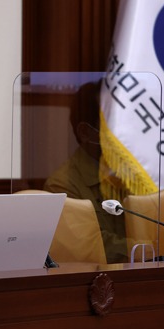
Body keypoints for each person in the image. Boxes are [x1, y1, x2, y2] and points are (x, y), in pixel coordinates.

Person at [43, 81, 128, 264]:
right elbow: (91, 245)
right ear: (85, 133)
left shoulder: (135, 174)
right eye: (112, 124)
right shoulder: (62, 184)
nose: (123, 134)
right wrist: (150, 247)